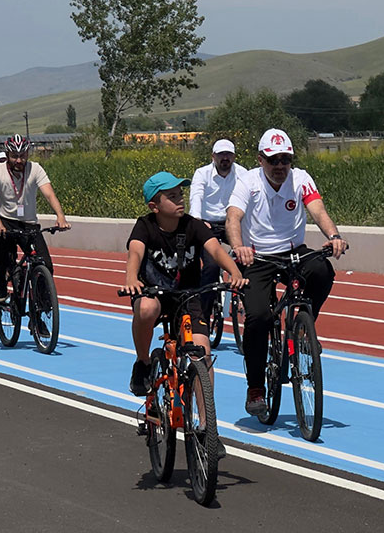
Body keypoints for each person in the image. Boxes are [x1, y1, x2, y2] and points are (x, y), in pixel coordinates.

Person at [225, 128, 348, 417]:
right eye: (273, 160)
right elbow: (233, 217)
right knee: (258, 317)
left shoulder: (301, 179)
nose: (280, 166)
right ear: (260, 160)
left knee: (322, 270)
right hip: (257, 255)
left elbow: (317, 209)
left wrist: (333, 235)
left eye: (285, 159)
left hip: (294, 250)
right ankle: (255, 388)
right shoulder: (247, 182)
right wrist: (239, 246)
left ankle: (305, 328)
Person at [123, 171, 247, 394]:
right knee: (146, 308)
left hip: (188, 296)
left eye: (181, 194)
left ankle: (205, 423)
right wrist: (131, 279)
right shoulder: (145, 226)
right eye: (172, 196)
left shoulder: (193, 225)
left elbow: (215, 250)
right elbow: (135, 253)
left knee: (203, 350)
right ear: (155, 206)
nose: (180, 199)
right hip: (155, 292)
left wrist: (235, 272)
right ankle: (143, 362)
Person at [0, 135, 70, 304]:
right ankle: (0, 281)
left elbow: (49, 194)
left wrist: (60, 216)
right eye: (15, 156)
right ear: (7, 155)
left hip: (29, 223)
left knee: (46, 265)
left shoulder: (35, 169)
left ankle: (40, 309)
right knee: (2, 256)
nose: (19, 160)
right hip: (4, 221)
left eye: (23, 156)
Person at [190, 139, 240, 312]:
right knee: (211, 265)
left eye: (228, 154)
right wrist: (197, 220)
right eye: (221, 154)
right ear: (213, 156)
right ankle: (202, 315)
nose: (224, 158)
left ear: (233, 156)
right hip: (206, 224)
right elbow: (196, 196)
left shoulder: (243, 174)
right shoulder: (202, 174)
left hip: (231, 223)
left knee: (249, 257)